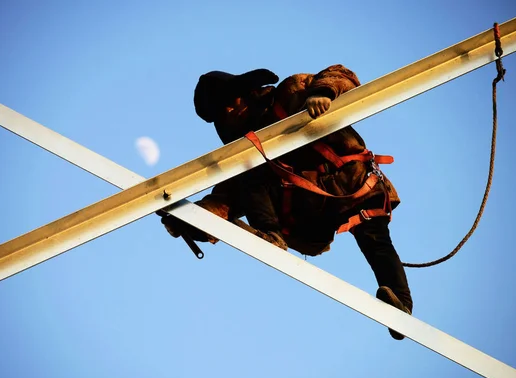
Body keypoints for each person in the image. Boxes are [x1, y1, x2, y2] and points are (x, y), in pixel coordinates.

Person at [159, 65, 413, 340]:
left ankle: (400, 306)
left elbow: (340, 74)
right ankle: (270, 234)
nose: (229, 113)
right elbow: (224, 200)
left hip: (356, 185)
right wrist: (190, 220)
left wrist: (322, 94)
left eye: (229, 105)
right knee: (247, 172)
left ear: (243, 95)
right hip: (310, 215)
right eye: (222, 113)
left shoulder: (292, 93)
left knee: (376, 241)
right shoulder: (246, 149)